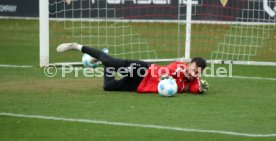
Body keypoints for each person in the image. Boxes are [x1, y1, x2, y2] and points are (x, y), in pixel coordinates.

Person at [57, 43, 209, 94]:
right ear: (189, 65)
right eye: (193, 69)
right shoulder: (179, 68)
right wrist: (165, 77)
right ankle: (77, 46)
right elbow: (167, 70)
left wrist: (201, 88)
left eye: (197, 72)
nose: (193, 73)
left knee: (108, 86)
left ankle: (103, 57)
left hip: (139, 86)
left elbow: (195, 87)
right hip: (143, 70)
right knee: (112, 62)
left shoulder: (192, 80)